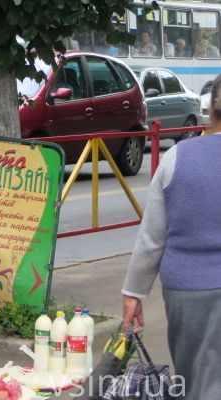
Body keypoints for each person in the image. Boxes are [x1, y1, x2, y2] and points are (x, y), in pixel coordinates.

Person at [122, 73, 221, 399]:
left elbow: (152, 237)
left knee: (197, 381)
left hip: (187, 292)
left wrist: (134, 291)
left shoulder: (178, 156)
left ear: (210, 108)